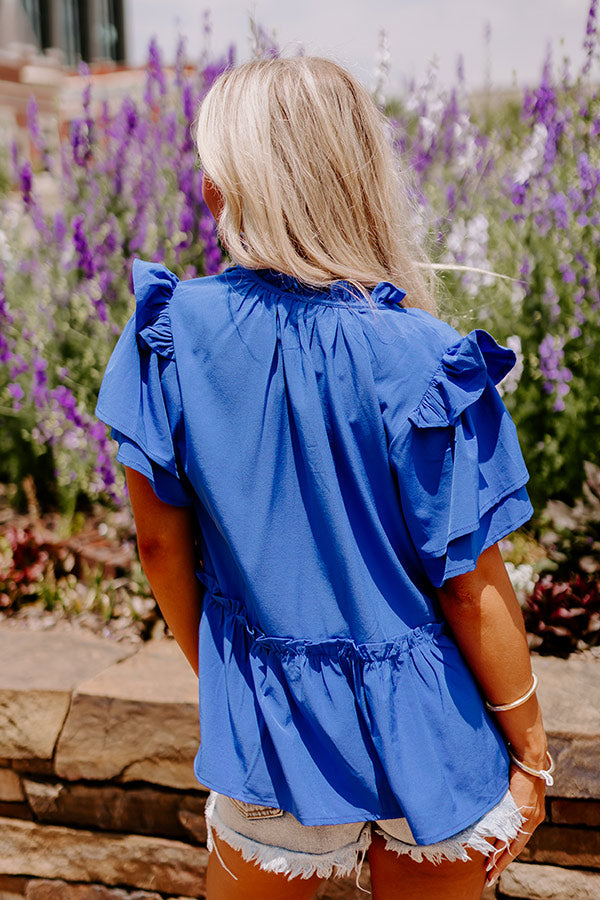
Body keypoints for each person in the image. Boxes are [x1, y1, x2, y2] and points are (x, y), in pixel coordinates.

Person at [95, 56, 551, 900]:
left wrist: (236, 684)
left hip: (272, 730)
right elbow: (468, 588)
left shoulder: (172, 333)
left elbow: (159, 545)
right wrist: (531, 751)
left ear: (227, 187)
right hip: (431, 734)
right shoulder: (425, 357)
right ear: (360, 179)